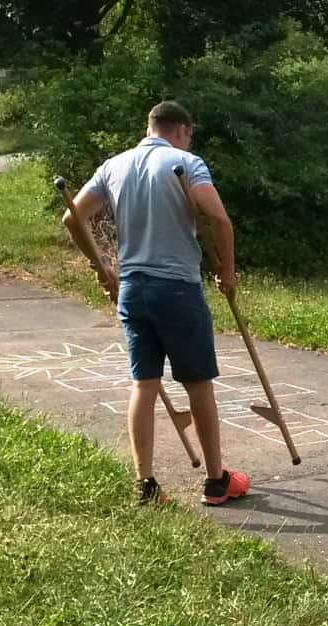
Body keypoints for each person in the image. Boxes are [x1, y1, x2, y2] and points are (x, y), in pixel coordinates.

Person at [61, 100, 249, 506]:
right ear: (181, 129)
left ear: (150, 128)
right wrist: (228, 272)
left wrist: (103, 266)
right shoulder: (186, 162)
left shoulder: (114, 165)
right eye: (190, 134)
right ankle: (217, 482)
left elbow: (73, 218)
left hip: (132, 288)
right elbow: (219, 219)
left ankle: (145, 484)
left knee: (143, 385)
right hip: (178, 288)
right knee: (198, 383)